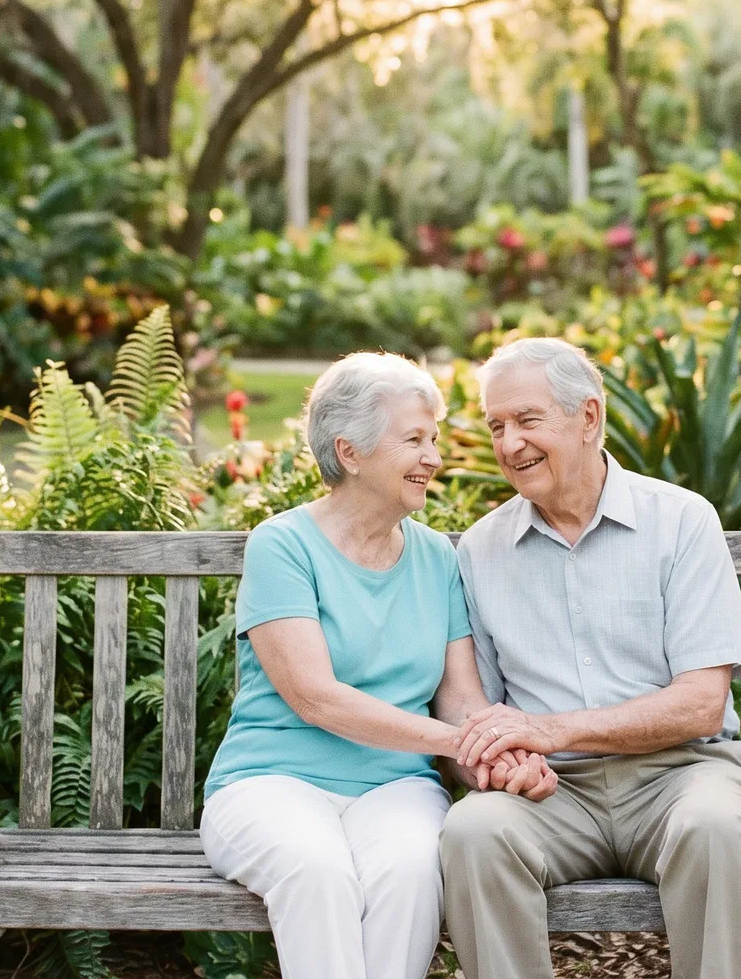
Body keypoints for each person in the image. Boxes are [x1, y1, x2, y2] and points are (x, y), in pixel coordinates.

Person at [200, 351, 557, 979]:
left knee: (411, 872)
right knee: (318, 871)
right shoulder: (282, 545)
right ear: (350, 452)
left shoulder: (437, 559)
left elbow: (461, 698)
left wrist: (499, 752)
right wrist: (461, 742)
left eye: (434, 439)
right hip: (272, 781)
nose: (434, 458)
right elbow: (317, 698)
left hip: (396, 787)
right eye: (414, 440)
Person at [441, 337, 741, 979]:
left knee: (717, 830)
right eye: (497, 427)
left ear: (588, 417)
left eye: (528, 421)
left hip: (681, 775)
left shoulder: (681, 521)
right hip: (552, 794)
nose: (510, 445)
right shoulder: (480, 550)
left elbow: (701, 704)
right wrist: (500, 762)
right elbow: (473, 705)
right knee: (473, 832)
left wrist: (550, 729)